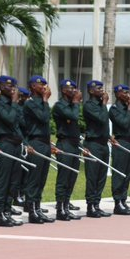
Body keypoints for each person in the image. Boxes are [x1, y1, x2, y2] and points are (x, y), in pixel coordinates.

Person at [0, 75, 24, 227]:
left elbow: (21, 122)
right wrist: (15, 103)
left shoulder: (13, 104)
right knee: (3, 181)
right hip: (5, 144)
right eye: (9, 86)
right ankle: (0, 213)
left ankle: (7, 211)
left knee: (13, 181)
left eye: (14, 86)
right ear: (2, 87)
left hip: (16, 145)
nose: (13, 89)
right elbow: (8, 119)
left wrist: (15, 105)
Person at [23, 75, 56, 224]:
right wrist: (45, 100)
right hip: (35, 142)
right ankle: (31, 211)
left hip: (44, 143)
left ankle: (37, 207)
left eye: (44, 84)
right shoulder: (30, 103)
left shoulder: (42, 103)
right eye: (39, 84)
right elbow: (43, 118)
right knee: (34, 178)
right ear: (31, 86)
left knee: (42, 178)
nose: (43, 86)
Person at [52, 79, 83, 221]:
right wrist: (76, 102)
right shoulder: (59, 106)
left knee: (72, 177)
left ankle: (66, 205)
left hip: (75, 144)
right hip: (65, 144)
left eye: (75, 89)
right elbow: (73, 116)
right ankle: (60, 208)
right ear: (64, 90)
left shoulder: (72, 105)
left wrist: (75, 103)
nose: (74, 91)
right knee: (64, 178)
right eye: (71, 89)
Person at [109, 84, 130, 215]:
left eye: (128, 92)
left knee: (127, 173)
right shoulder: (114, 109)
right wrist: (129, 109)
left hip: (129, 142)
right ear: (117, 94)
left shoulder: (127, 109)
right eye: (124, 92)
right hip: (120, 142)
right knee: (119, 173)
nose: (127, 95)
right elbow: (123, 124)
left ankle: (124, 201)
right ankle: (117, 203)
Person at [82, 80, 113, 218]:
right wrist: (105, 104)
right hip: (93, 144)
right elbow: (101, 119)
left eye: (102, 88)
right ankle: (90, 205)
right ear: (91, 91)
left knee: (101, 176)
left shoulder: (101, 105)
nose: (102, 90)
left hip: (103, 144)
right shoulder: (89, 106)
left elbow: (106, 122)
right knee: (93, 176)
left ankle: (97, 204)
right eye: (98, 88)